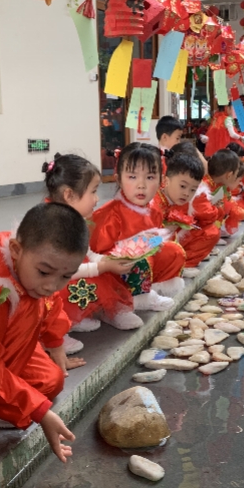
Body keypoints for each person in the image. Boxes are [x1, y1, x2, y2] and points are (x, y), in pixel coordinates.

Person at [0, 203, 89, 462]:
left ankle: (8, 396)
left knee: (52, 380)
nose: (52, 285)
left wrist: (55, 342)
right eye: (44, 272)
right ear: (16, 250)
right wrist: (40, 411)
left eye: (65, 277)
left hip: (4, 344)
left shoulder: (34, 260)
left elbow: (52, 303)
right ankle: (0, 402)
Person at [42, 154, 142, 350]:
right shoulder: (52, 226)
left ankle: (85, 315)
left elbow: (89, 253)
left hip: (76, 271)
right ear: (69, 195)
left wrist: (109, 260)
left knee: (106, 273)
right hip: (54, 281)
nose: (97, 199)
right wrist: (101, 266)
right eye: (93, 192)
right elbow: (61, 271)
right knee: (88, 279)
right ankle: (55, 331)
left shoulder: (76, 219)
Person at [90, 142, 187, 307]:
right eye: (132, 177)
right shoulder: (109, 215)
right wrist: (134, 245)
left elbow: (154, 242)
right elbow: (95, 255)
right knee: (138, 260)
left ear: (161, 181)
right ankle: (128, 300)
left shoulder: (153, 209)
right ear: (118, 179)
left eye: (149, 177)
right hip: (114, 272)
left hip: (143, 264)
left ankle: (151, 289)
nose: (141, 185)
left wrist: (158, 238)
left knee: (174, 251)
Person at [153, 146, 220, 273]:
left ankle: (185, 264)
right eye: (182, 186)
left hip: (174, 240)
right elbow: (144, 242)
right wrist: (167, 233)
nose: (186, 193)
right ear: (166, 181)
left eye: (192, 190)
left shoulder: (182, 198)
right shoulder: (153, 201)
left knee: (212, 232)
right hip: (153, 247)